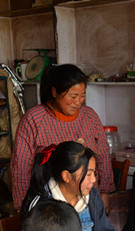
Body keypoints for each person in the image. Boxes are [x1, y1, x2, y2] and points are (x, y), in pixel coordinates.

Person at [11, 64, 115, 213]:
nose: (78, 102)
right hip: (50, 207)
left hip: (89, 200)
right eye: (72, 96)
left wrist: (105, 192)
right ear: (54, 92)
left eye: (82, 96)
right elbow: (21, 167)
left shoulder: (89, 116)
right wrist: (23, 207)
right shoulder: (34, 120)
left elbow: (103, 156)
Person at [21, 141, 117, 231]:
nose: (94, 180)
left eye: (94, 173)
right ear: (66, 176)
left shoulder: (92, 197)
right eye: (88, 174)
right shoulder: (42, 206)